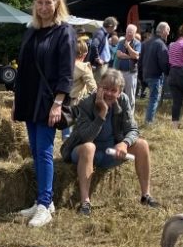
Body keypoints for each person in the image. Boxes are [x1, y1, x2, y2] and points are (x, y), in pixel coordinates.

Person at [12, 0, 75, 228]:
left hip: (49, 101)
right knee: (36, 151)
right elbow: (24, 70)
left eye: (48, 2)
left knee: (45, 151)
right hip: (29, 99)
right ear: (34, 5)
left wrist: (58, 103)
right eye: (39, 2)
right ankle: (43, 202)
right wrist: (17, 101)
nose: (43, 7)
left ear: (57, 4)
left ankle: (45, 204)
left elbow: (65, 73)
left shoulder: (65, 32)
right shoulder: (30, 31)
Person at [61, 70, 159, 214]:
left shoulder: (123, 100)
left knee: (142, 144)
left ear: (119, 93)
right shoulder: (87, 103)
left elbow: (133, 129)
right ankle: (85, 203)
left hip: (110, 152)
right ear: (99, 86)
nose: (109, 93)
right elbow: (86, 137)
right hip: (83, 153)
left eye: (113, 90)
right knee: (89, 147)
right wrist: (102, 113)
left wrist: (124, 143)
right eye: (105, 88)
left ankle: (146, 196)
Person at [140, 22, 170, 125]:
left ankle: (149, 119)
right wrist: (168, 72)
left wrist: (141, 76)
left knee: (152, 98)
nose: (168, 33)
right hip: (155, 75)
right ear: (162, 31)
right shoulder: (161, 44)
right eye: (167, 30)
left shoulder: (146, 42)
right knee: (154, 98)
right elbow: (164, 62)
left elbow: (140, 61)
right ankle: (149, 122)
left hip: (146, 74)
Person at [116, 23, 141, 104]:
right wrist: (131, 56)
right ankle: (119, 113)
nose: (129, 34)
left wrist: (128, 47)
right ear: (126, 32)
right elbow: (119, 55)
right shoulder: (121, 42)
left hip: (131, 73)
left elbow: (136, 56)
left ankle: (129, 114)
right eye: (128, 32)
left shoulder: (137, 43)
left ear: (135, 33)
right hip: (120, 72)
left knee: (130, 94)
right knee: (118, 93)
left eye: (131, 32)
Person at [87, 17, 117, 81]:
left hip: (102, 65)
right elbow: (94, 45)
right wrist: (98, 58)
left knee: (101, 84)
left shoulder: (104, 33)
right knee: (99, 84)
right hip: (100, 66)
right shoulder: (100, 33)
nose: (114, 30)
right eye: (114, 27)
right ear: (110, 26)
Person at [70, 39, 97, 103]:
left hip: (59, 102)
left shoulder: (63, 64)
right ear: (85, 54)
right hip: (75, 104)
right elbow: (93, 88)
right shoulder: (84, 68)